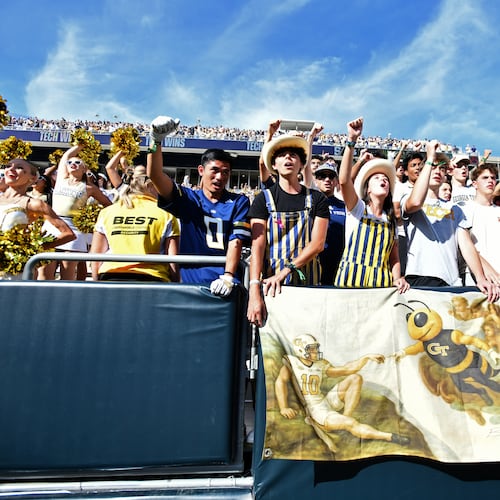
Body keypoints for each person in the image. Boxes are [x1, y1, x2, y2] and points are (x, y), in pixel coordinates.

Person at [147, 115, 251, 295]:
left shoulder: (238, 201)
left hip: (225, 280)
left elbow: (237, 241)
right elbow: (155, 175)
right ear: (201, 171)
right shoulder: (188, 197)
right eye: (215, 170)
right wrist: (155, 141)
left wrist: (228, 275)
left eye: (225, 172)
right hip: (190, 280)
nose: (220, 177)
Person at [247, 132, 330, 327]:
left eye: (293, 155)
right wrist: (254, 290)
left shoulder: (317, 199)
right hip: (272, 287)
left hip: (308, 285)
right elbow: (257, 247)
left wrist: (286, 270)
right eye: (282, 154)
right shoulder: (263, 199)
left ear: (302, 164)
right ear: (273, 164)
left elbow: (317, 244)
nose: (288, 158)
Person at [401, 140, 499, 302]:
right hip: (421, 275)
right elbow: (416, 202)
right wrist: (430, 158)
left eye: (442, 168)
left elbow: (466, 245)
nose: (438, 171)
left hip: (452, 281)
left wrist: (480, 278)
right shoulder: (409, 197)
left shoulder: (455, 208)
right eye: (433, 167)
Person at [275, 334, 410, 445]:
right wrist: (283, 407)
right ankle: (389, 437)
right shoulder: (292, 363)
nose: (315, 351)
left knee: (355, 378)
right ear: (301, 350)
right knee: (351, 424)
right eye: (311, 349)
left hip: (324, 402)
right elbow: (280, 382)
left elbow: (347, 370)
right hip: (315, 411)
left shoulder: (319, 364)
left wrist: (366, 357)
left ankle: (346, 416)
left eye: (315, 348)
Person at [334, 117, 409, 292]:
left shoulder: (390, 219)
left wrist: (398, 279)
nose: (383, 180)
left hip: (381, 290)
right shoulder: (358, 208)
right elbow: (344, 181)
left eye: (386, 179)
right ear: (367, 189)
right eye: (376, 178)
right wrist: (351, 141)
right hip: (349, 286)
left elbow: (394, 257)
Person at [90, 175, 180, 282]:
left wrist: (96, 282)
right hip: (152, 277)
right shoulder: (167, 214)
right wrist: (175, 283)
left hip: (111, 274)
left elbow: (96, 256)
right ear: (151, 187)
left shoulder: (107, 212)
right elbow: (173, 260)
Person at [41, 144, 112, 280]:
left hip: (74, 230)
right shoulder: (61, 179)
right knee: (44, 274)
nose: (73, 164)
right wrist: (80, 145)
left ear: (84, 168)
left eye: (78, 162)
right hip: (52, 225)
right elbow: (65, 157)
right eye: (71, 163)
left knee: (67, 274)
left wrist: (93, 217)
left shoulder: (89, 187)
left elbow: (108, 205)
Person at [0, 158, 75, 246]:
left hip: (11, 257)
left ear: (33, 177)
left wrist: (34, 248)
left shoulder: (34, 204)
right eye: (8, 166)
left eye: (19, 167)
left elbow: (68, 234)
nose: (11, 169)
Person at [462, 164, 500, 284]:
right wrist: (485, 268)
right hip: (477, 276)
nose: (490, 181)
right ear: (474, 184)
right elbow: (464, 245)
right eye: (485, 178)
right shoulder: (464, 210)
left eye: (493, 178)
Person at [313, 162, 346, 285]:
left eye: (331, 176)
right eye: (322, 176)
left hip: (338, 262)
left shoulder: (345, 206)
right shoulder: (310, 204)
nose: (327, 180)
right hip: (314, 261)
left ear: (336, 182)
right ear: (316, 181)